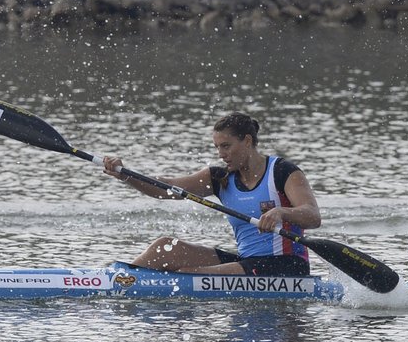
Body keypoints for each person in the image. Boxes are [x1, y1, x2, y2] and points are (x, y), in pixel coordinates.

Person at [103, 112, 321, 276]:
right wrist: (126, 176)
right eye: (217, 147)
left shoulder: (282, 171)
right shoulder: (219, 178)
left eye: (226, 146)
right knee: (165, 248)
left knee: (188, 273)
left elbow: (312, 215)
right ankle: (120, 281)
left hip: (286, 266)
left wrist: (281, 212)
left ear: (247, 141)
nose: (221, 154)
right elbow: (167, 189)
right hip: (247, 261)